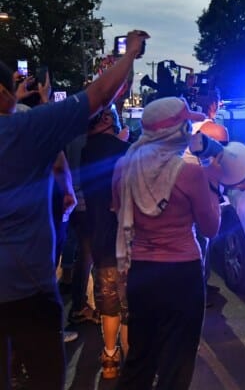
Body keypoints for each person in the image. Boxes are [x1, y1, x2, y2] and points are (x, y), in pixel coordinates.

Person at [0, 29, 149, 390]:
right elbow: (97, 95)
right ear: (4, 94)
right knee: (45, 375)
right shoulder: (23, 130)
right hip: (26, 289)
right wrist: (129, 55)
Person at [113, 97, 221, 389]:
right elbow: (211, 228)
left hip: (141, 272)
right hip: (180, 273)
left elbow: (118, 211)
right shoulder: (191, 174)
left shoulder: (124, 168)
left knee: (140, 358)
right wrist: (213, 183)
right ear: (178, 131)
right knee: (177, 363)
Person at [81, 108, 131, 379]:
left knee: (108, 303)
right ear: (108, 119)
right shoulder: (126, 151)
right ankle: (132, 360)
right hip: (127, 240)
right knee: (129, 308)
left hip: (100, 238)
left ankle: (110, 356)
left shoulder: (86, 152)